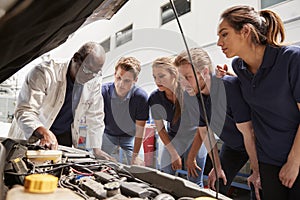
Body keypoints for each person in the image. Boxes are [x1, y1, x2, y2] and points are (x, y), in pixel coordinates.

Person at [216, 5, 300, 199]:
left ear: (245, 31)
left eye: (224, 34)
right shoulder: (239, 67)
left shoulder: (292, 59)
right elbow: (256, 89)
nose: (219, 42)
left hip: (296, 157)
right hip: (268, 160)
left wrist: (294, 162)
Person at [174, 47, 261, 199]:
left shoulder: (229, 87)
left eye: (188, 77)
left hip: (257, 143)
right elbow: (204, 132)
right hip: (233, 146)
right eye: (181, 78)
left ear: (205, 72)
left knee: (258, 187)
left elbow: (249, 132)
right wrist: (217, 166)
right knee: (217, 183)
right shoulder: (192, 95)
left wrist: (256, 170)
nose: (184, 83)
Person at [8, 41, 112, 160]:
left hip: (63, 138)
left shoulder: (93, 81)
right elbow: (25, 110)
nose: (90, 77)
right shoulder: (44, 72)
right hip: (35, 134)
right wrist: (42, 132)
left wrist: (96, 149)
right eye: (87, 71)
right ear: (76, 58)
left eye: (96, 73)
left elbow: (95, 117)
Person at [148, 56, 207, 187]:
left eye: (161, 76)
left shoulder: (190, 93)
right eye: (154, 77)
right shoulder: (155, 98)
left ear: (174, 74)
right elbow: (161, 129)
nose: (157, 81)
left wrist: (191, 157)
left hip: (196, 137)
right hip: (174, 138)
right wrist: (174, 153)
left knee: (194, 180)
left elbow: (202, 129)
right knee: (165, 176)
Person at [101, 57, 149, 165]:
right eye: (119, 78)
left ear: (135, 80)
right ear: (114, 74)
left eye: (127, 81)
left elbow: (140, 130)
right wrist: (96, 150)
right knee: (97, 161)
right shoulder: (103, 92)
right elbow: (95, 121)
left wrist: (135, 157)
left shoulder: (141, 97)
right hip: (108, 135)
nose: (121, 84)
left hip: (129, 137)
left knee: (139, 166)